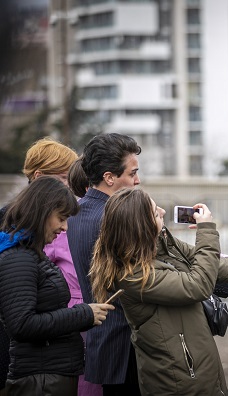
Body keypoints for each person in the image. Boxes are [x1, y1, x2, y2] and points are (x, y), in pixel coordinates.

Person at [89, 188, 228, 395]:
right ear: (140, 225)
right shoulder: (132, 275)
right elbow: (198, 285)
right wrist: (206, 230)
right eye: (154, 211)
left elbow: (213, 264)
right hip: (177, 376)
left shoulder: (160, 245)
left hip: (196, 361)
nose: (162, 211)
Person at [0, 177, 114, 396]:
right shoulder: (19, 258)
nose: (64, 227)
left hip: (47, 376)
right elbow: (22, 325)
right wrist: (83, 315)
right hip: (41, 380)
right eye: (61, 218)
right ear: (41, 213)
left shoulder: (30, 252)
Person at [20, 139, 102, 396]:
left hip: (84, 313)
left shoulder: (68, 214)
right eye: (65, 177)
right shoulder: (41, 224)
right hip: (69, 320)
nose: (71, 184)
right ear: (39, 176)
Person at [67, 133, 142, 395]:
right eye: (132, 173)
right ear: (109, 177)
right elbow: (142, 279)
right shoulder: (116, 218)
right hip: (129, 345)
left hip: (104, 340)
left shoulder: (75, 213)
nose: (137, 181)